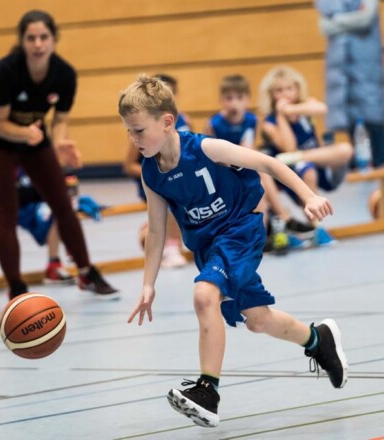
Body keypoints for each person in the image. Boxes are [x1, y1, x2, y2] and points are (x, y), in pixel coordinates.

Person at [120, 74, 348, 428]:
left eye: (137, 130)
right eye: (129, 131)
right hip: (209, 246)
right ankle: (319, 340)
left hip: (240, 230)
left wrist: (309, 196)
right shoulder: (152, 172)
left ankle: (207, 392)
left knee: (203, 295)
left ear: (167, 122)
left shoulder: (205, 148)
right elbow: (156, 229)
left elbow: (270, 164)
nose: (132, 139)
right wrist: (148, 284)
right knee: (258, 320)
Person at [0, 10, 118, 299]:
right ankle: (16, 287)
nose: (38, 44)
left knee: (63, 202)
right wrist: (26, 133)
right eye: (31, 38)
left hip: (34, 137)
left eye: (44, 37)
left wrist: (61, 143)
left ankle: (86, 273)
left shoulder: (64, 75)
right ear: (22, 41)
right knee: (7, 210)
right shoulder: (3, 73)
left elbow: (60, 119)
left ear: (53, 39)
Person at [204, 74, 315, 253]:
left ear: (247, 100)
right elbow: (208, 156)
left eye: (239, 98)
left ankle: (262, 236)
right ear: (221, 101)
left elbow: (250, 149)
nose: (234, 104)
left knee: (260, 184)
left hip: (243, 168)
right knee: (260, 172)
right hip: (223, 173)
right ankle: (285, 218)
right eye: (229, 98)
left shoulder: (252, 120)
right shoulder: (214, 123)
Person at [259, 65, 353, 246]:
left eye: (289, 89)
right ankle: (316, 227)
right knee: (307, 170)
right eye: (279, 90)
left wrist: (292, 111)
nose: (285, 94)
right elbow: (289, 146)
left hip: (313, 161)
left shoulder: (305, 107)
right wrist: (281, 116)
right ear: (271, 94)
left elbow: (324, 109)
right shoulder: (270, 123)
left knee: (346, 149)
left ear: (297, 89)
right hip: (291, 170)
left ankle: (302, 157)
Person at [123, 74, 189, 268]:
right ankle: (170, 246)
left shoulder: (182, 121)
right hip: (154, 182)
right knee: (172, 191)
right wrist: (154, 174)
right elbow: (128, 165)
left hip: (180, 177)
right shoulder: (142, 126)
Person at [315, 0, 384, 169]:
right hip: (341, 69)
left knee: (373, 114)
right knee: (353, 121)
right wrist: (351, 18)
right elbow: (324, 26)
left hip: (367, 65)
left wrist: (337, 20)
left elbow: (365, 18)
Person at [14, 167, 75, 284]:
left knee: (62, 210)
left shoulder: (40, 158)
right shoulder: (9, 161)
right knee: (55, 211)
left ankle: (56, 263)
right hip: (16, 207)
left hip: (36, 203)